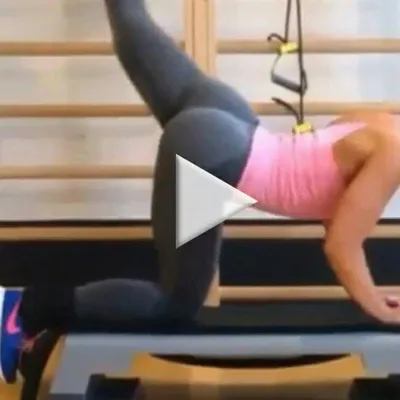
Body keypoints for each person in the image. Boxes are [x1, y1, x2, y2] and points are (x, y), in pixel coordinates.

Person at [1, 0, 400, 384]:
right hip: (212, 154)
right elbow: (341, 245)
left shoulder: (383, 122)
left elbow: (332, 206)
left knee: (135, 27)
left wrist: (368, 291)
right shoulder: (394, 153)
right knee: (175, 301)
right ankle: (25, 309)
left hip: (230, 120)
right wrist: (376, 306)